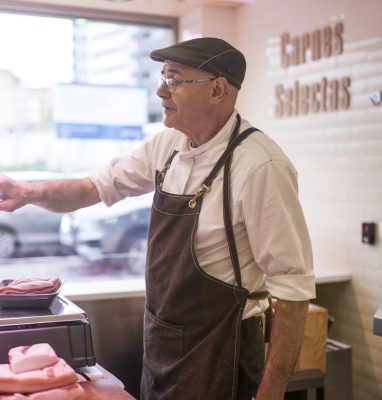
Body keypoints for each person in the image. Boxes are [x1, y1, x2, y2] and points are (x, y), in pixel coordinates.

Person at [0, 37, 315, 400]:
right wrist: (27, 192)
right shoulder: (167, 146)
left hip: (224, 354)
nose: (160, 91)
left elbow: (293, 289)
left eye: (175, 79)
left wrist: (270, 394)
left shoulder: (260, 166)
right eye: (163, 77)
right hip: (163, 349)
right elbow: (93, 187)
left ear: (217, 89)